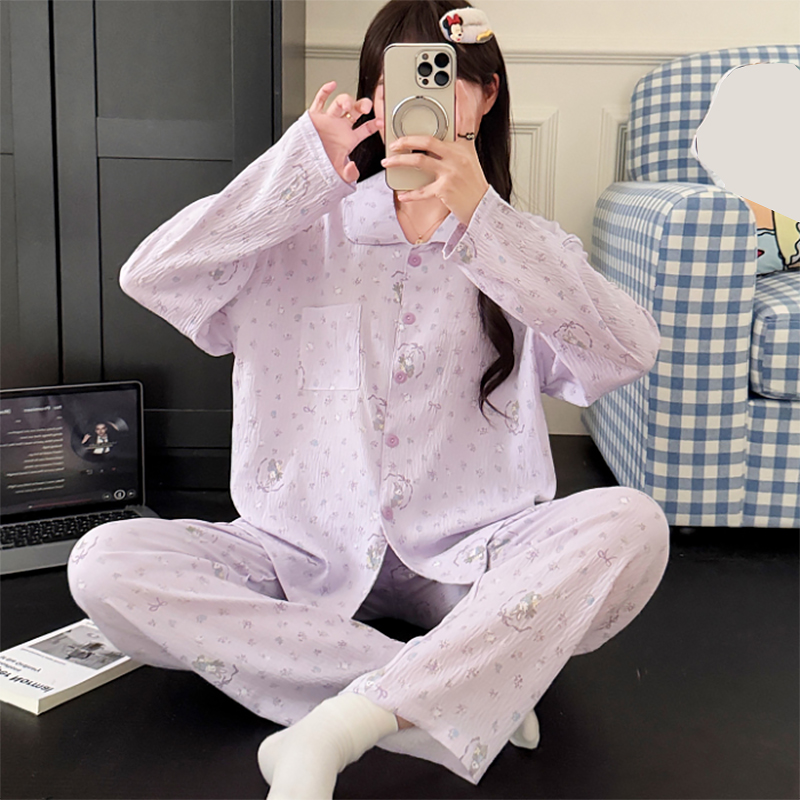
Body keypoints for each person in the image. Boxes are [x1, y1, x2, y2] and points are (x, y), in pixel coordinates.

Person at [67, 1, 670, 797]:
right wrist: (297, 169)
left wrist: (485, 223)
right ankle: (464, 688)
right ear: (373, 96)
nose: (418, 98)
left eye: (443, 77)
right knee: (105, 565)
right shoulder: (295, 227)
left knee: (631, 524)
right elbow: (150, 276)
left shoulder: (524, 248)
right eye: (397, 78)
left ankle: (340, 726)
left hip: (473, 557)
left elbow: (629, 351)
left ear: (486, 96)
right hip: (298, 552)